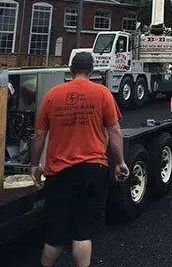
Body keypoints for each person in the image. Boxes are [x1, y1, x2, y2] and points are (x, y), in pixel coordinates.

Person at [30, 51, 130, 267]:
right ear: (91, 71)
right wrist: (120, 162)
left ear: (71, 70)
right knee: (83, 232)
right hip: (92, 169)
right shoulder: (102, 94)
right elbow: (114, 131)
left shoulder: (52, 95)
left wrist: (34, 164)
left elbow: (39, 135)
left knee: (55, 235)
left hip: (58, 172)